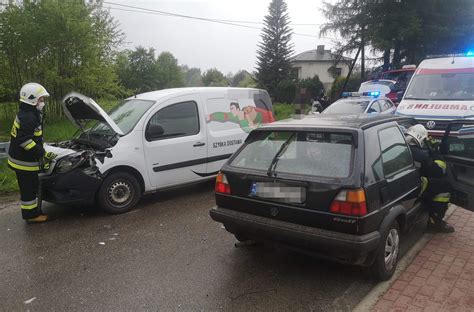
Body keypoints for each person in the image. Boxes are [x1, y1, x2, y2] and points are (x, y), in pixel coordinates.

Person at [7, 83, 57, 223]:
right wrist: (42, 153)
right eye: (41, 100)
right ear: (32, 99)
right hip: (23, 162)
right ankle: (32, 216)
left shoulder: (28, 113)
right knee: (29, 189)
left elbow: (34, 136)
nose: (43, 103)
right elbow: (25, 141)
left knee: (29, 187)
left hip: (21, 159)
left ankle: (32, 212)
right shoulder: (29, 117)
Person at [405, 124, 454, 233]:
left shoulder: (404, 148)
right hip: (416, 186)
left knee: (435, 183)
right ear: (420, 139)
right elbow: (439, 170)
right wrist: (435, 151)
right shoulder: (420, 154)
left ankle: (428, 209)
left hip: (406, 183)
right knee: (446, 185)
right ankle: (435, 221)